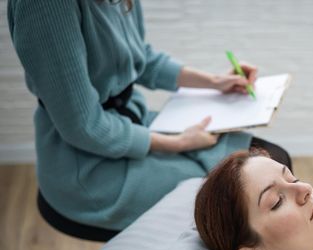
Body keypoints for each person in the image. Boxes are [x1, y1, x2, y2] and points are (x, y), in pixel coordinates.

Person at [7, 0, 292, 232]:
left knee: (272, 161)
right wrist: (180, 143)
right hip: (86, 164)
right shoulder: (44, 6)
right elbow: (85, 128)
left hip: (134, 124)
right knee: (238, 197)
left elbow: (140, 58)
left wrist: (215, 81)